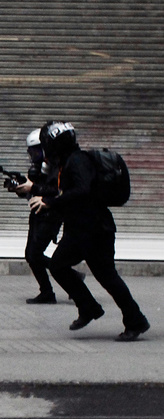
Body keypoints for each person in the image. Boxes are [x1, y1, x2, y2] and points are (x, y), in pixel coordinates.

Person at [29, 121, 150, 341]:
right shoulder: (68, 162)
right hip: (81, 229)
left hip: (94, 229)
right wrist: (36, 189)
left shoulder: (78, 161)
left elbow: (82, 190)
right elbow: (64, 191)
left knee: (105, 276)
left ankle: (132, 320)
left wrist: (49, 201)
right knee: (62, 267)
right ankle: (92, 308)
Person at [14, 129, 64, 304]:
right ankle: (49, 290)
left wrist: (32, 187)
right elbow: (33, 191)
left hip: (52, 216)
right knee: (31, 254)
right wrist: (20, 188)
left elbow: (57, 192)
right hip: (38, 214)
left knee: (34, 254)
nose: (33, 155)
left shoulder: (58, 167)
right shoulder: (39, 168)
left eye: (36, 151)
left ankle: (53, 288)